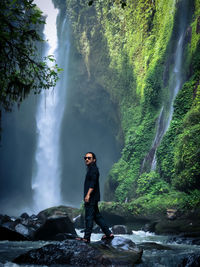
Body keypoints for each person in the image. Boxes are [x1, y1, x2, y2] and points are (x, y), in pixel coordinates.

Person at [76, 152, 114, 243]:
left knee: (89, 217)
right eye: (85, 158)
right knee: (97, 217)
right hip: (93, 197)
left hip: (91, 198)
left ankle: (86, 238)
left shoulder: (93, 170)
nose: (87, 159)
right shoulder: (92, 169)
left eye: (89, 158)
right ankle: (108, 233)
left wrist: (88, 195)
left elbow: (92, 183)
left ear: (94, 159)